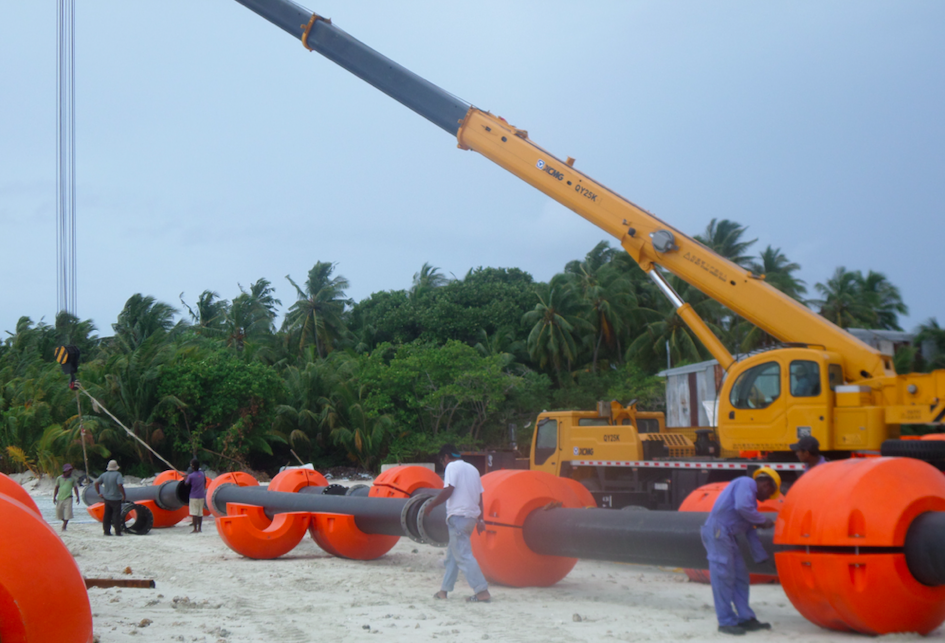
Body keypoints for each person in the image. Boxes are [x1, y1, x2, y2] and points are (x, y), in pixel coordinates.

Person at [701, 468, 780, 635]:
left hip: (728, 536)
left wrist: (761, 557)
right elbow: (742, 507)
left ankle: (746, 618)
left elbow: (750, 531)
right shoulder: (746, 483)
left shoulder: (750, 501)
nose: (767, 498)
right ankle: (726, 621)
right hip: (718, 532)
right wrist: (762, 520)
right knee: (723, 576)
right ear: (766, 485)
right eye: (769, 494)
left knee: (740, 576)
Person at [423, 445, 491, 603]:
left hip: (458, 517)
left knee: (464, 555)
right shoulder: (473, 469)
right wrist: (481, 519)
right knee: (453, 555)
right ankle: (443, 591)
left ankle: (482, 591)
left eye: (443, 461)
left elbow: (448, 490)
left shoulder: (452, 467)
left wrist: (431, 505)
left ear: (446, 457)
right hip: (471, 518)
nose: (444, 464)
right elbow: (480, 496)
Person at [94, 460, 127, 536]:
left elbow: (96, 483)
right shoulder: (118, 474)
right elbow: (119, 485)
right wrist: (123, 494)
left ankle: (106, 531)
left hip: (107, 498)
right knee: (116, 515)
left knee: (107, 515)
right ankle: (117, 531)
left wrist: (99, 493)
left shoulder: (104, 475)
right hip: (116, 498)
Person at [53, 463, 81, 531]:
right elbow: (56, 487)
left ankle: (64, 526)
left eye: (71, 470)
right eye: (69, 470)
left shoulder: (72, 479)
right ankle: (64, 521)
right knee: (59, 513)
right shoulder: (59, 478)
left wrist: (77, 497)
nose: (70, 472)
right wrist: (54, 497)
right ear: (65, 471)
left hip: (69, 498)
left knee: (68, 513)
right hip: (60, 498)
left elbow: (75, 488)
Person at [184, 458, 207, 533]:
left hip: (194, 496)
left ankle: (195, 529)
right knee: (200, 512)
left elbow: (186, 484)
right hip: (202, 495)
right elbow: (205, 482)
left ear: (192, 466)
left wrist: (185, 478)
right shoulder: (202, 474)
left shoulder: (191, 476)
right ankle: (200, 528)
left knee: (194, 513)